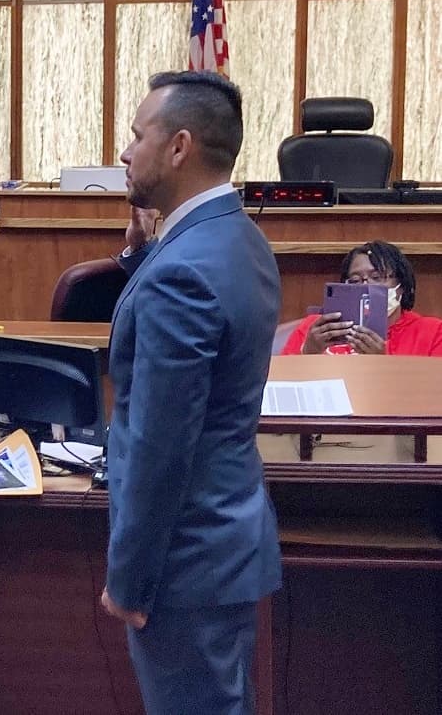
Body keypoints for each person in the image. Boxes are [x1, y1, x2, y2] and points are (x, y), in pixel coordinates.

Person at [101, 71, 281, 714]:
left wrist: (129, 581)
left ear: (178, 147)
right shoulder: (238, 238)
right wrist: (138, 261)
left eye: (137, 135)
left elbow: (160, 447)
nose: (125, 152)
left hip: (183, 561)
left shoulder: (183, 269)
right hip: (225, 540)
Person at [280, 240, 442, 356]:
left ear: (402, 285)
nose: (366, 286)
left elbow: (432, 394)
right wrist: (308, 352)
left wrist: (383, 365)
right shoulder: (316, 327)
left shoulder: (432, 332)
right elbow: (281, 385)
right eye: (355, 280)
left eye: (377, 277)